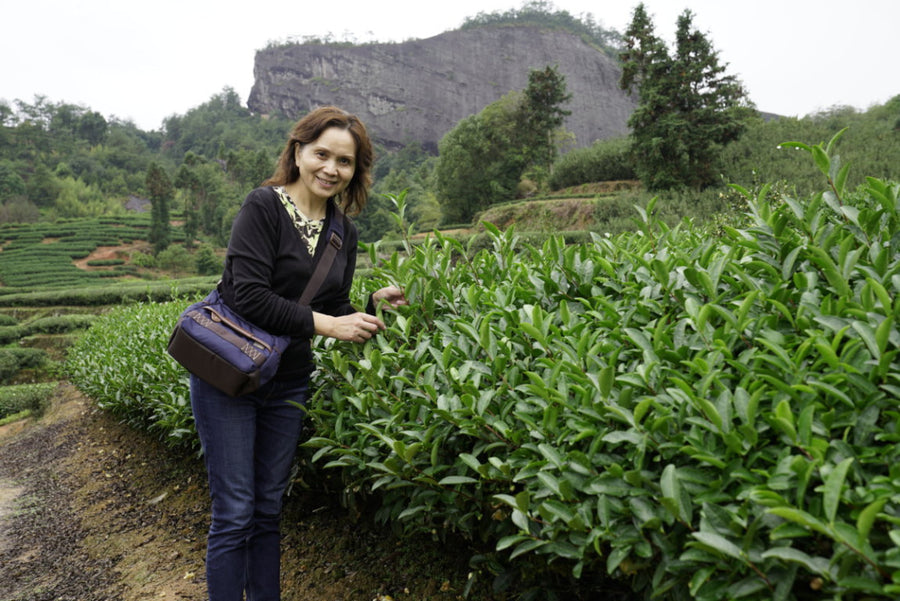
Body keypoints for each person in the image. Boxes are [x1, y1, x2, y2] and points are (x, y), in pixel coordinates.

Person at [190, 105, 406, 601]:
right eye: (322, 154)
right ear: (298, 152)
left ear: (356, 170)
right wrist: (329, 324)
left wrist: (371, 307)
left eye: (345, 161)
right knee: (235, 509)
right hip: (230, 373)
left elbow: (331, 306)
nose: (331, 169)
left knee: (267, 508)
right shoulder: (263, 206)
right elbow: (247, 295)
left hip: (288, 378)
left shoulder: (342, 232)